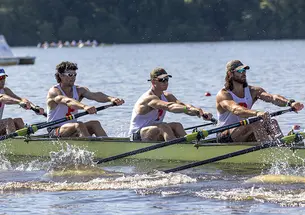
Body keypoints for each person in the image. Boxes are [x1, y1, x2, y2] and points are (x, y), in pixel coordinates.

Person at [216, 60, 304, 142]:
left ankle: (281, 147)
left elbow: (272, 98)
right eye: (239, 71)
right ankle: (269, 152)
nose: (243, 73)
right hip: (225, 134)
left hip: (243, 130)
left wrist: (290, 103)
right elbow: (236, 110)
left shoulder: (252, 91)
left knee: (272, 122)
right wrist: (257, 113)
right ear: (230, 74)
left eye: (244, 70)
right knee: (255, 123)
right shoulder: (223, 94)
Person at [129, 68, 213, 141]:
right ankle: (177, 149)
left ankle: (189, 147)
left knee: (177, 126)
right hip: (137, 135)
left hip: (153, 131)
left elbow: (184, 106)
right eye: (162, 80)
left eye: (167, 79)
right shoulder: (148, 98)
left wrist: (200, 112)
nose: (165, 82)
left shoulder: (167, 96)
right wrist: (188, 109)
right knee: (163, 126)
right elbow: (169, 106)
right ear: (153, 81)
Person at [46, 61, 124, 137]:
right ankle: (89, 147)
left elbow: (95, 95)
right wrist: (84, 107)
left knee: (95, 123)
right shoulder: (54, 91)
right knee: (79, 125)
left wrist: (111, 99)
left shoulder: (79, 90)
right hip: (55, 131)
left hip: (73, 128)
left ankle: (107, 146)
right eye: (70, 74)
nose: (73, 77)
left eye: (75, 75)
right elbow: (68, 101)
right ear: (61, 75)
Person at [0, 68, 45, 135]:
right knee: (8, 121)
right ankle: (14, 142)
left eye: (4, 77)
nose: (2, 80)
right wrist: (19, 102)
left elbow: (21, 99)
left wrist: (35, 107)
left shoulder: (6, 90)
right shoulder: (3, 95)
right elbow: (2, 97)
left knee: (19, 121)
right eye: (0, 78)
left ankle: (26, 141)